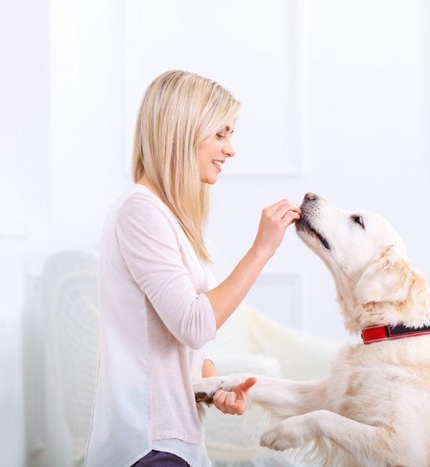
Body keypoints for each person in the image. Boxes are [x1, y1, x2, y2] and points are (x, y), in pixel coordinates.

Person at [85, 70, 301, 467]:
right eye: (220, 134)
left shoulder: (167, 217)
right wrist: (261, 250)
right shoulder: (140, 212)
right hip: (149, 444)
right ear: (182, 132)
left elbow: (174, 340)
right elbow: (194, 323)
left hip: (174, 439)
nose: (231, 149)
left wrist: (211, 382)